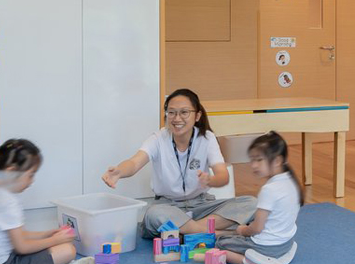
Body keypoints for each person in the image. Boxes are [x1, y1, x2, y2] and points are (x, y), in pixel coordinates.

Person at [103, 89, 256, 236]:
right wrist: (120, 171)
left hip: (201, 206)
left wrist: (211, 180)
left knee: (251, 203)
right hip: (168, 206)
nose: (177, 118)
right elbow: (134, 163)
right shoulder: (157, 139)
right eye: (171, 112)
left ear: (197, 115)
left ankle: (187, 231)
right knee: (154, 214)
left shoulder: (207, 138)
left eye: (184, 112)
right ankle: (214, 233)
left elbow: (223, 175)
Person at [0, 138, 94, 264]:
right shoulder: (6, 202)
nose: (32, 181)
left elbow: (18, 235)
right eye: (30, 175)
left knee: (61, 245)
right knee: (68, 250)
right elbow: (22, 247)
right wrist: (54, 240)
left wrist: (47, 234)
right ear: (11, 172)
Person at [211, 132, 302, 264]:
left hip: (265, 248)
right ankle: (278, 256)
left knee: (220, 244)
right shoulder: (292, 181)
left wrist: (243, 230)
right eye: (252, 160)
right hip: (286, 244)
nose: (253, 165)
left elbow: (257, 229)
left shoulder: (269, 189)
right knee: (240, 229)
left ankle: (251, 262)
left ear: (277, 161)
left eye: (259, 160)